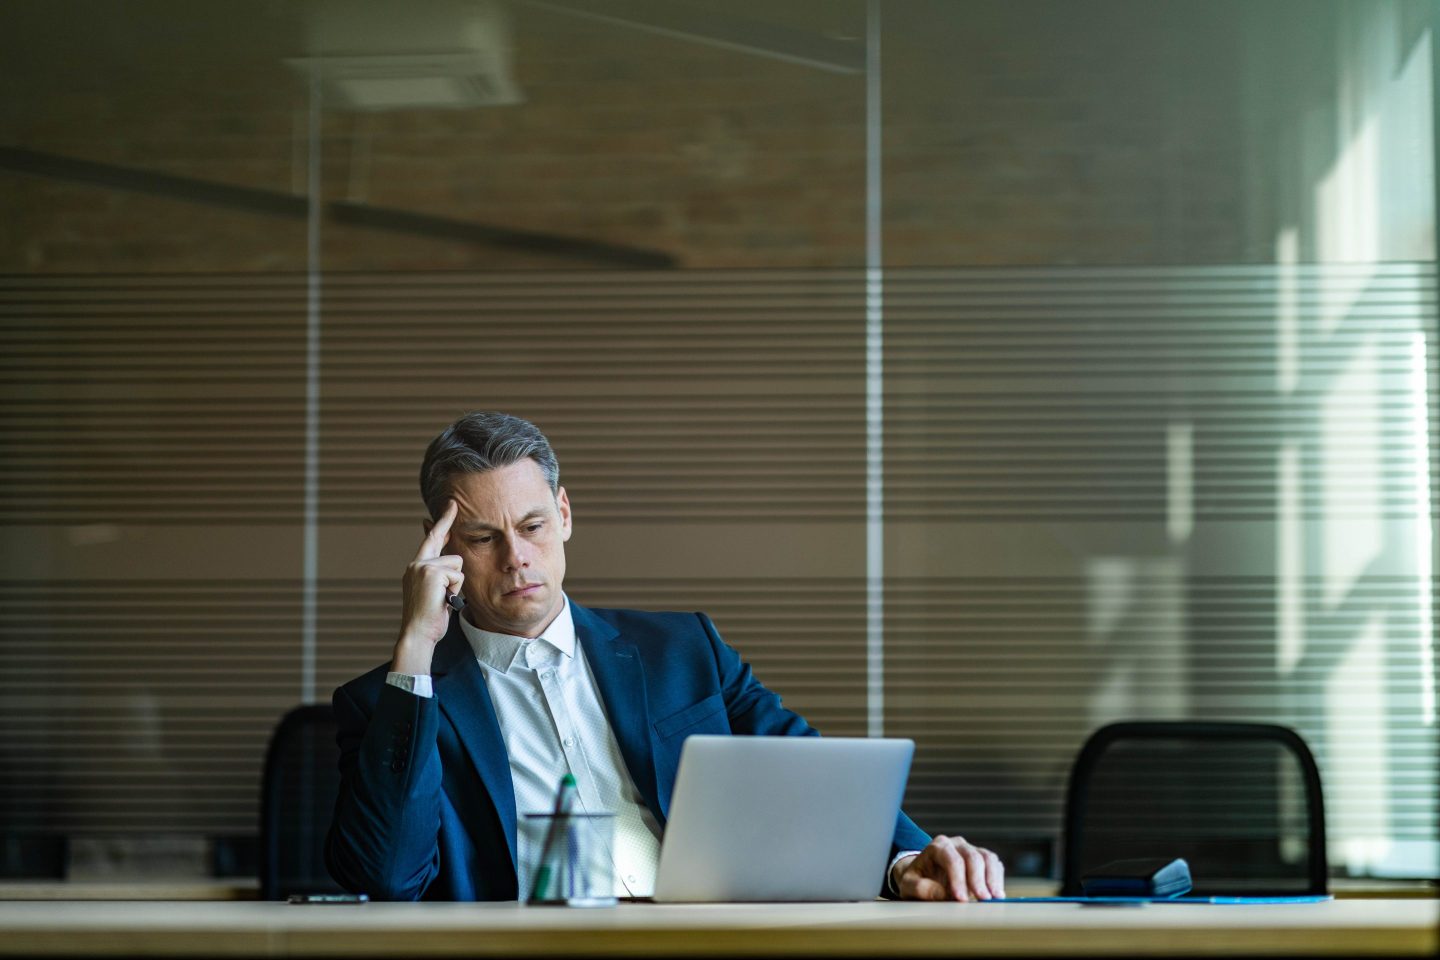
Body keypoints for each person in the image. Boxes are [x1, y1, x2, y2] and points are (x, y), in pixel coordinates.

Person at [325, 412, 1004, 902]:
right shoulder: (387, 704)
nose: (517, 558)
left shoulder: (683, 651)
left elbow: (813, 772)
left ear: (563, 513)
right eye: (480, 538)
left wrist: (908, 858)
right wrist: (416, 649)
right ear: (438, 546)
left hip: (707, 944)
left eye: (532, 526)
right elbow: (388, 875)